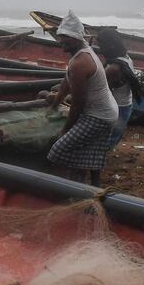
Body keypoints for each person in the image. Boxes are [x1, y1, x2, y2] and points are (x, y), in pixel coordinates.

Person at [47, 11, 118, 186]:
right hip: (107, 111)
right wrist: (55, 104)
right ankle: (93, 187)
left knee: (58, 150)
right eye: (59, 37)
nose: (60, 42)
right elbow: (66, 80)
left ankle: (67, 185)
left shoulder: (81, 63)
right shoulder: (81, 53)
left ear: (76, 38)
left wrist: (66, 130)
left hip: (99, 116)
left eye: (65, 38)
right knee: (91, 151)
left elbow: (78, 104)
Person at [96, 28, 143, 148]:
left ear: (109, 45)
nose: (100, 48)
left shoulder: (114, 68)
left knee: (105, 142)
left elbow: (99, 92)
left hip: (117, 110)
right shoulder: (126, 58)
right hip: (126, 107)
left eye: (101, 44)